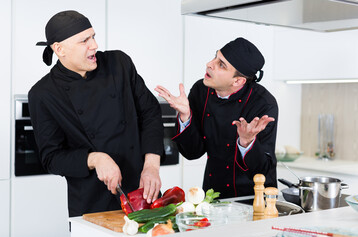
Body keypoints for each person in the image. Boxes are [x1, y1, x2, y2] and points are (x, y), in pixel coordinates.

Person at [28, 10, 164, 217]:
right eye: (84, 41)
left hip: (143, 190)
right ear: (59, 49)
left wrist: (152, 166)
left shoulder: (119, 64)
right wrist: (95, 159)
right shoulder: (44, 94)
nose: (94, 45)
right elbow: (52, 158)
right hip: (91, 202)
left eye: (93, 36)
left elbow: (151, 112)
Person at [155, 37, 278, 199]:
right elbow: (193, 152)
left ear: (238, 81)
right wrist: (185, 116)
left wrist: (247, 142)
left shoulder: (263, 104)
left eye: (221, 64)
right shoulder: (201, 90)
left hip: (254, 199)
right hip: (214, 195)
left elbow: (261, 171)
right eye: (215, 57)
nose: (209, 64)